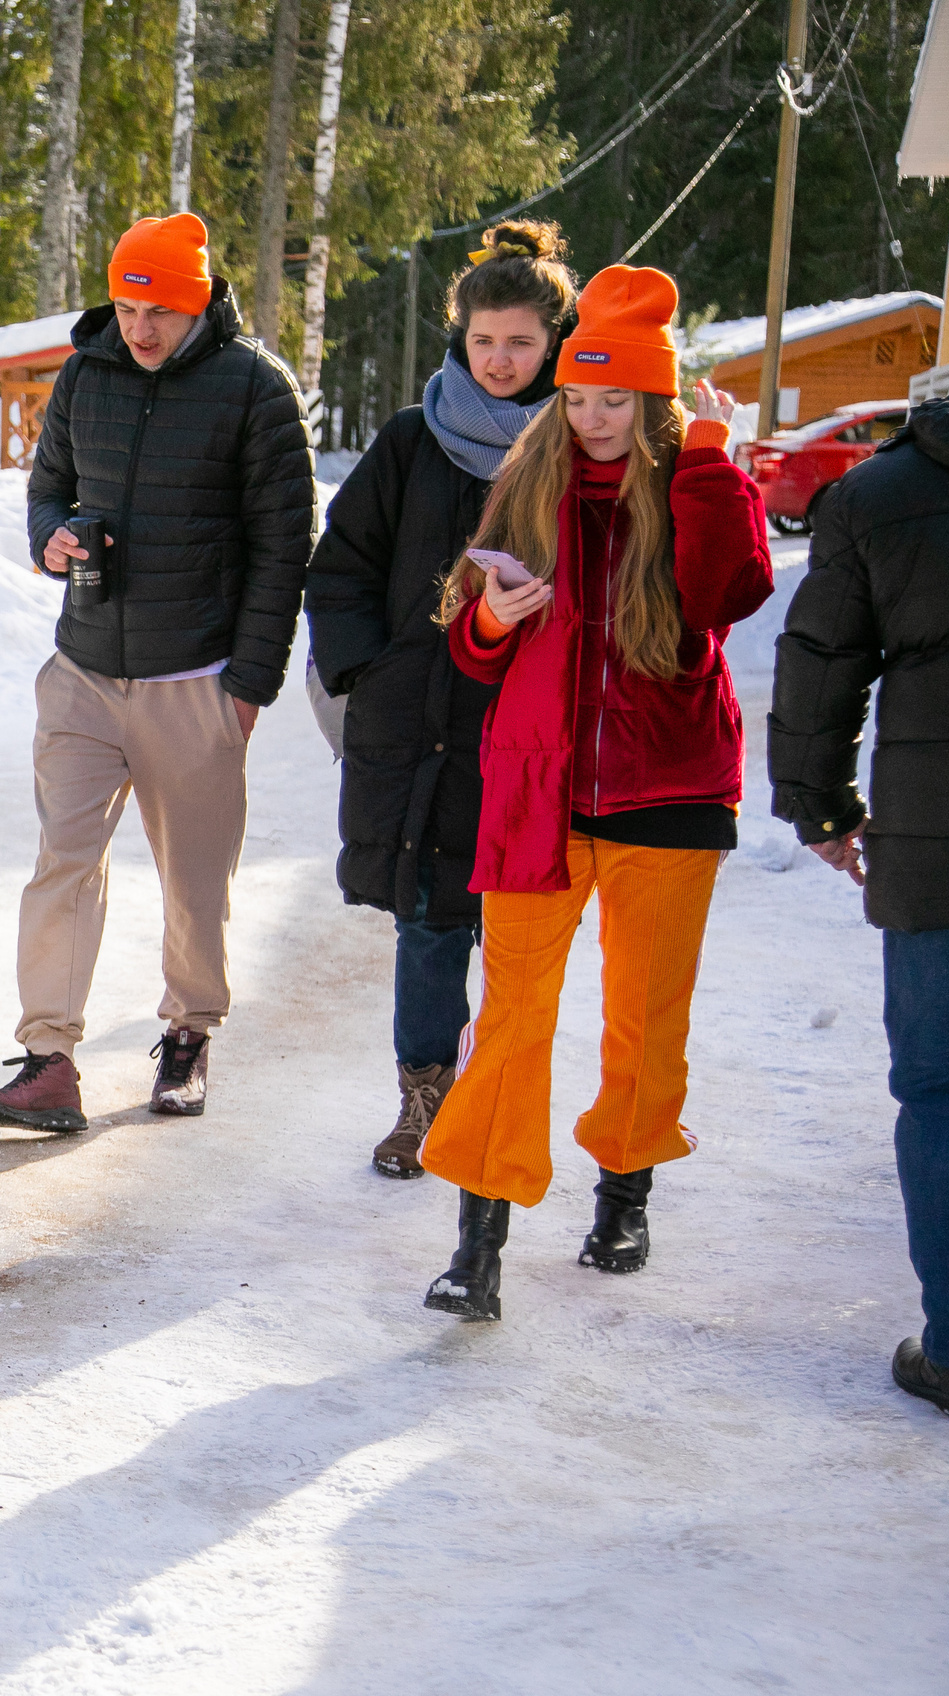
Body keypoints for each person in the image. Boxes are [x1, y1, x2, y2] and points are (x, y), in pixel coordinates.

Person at [416, 265, 772, 1324]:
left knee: (643, 1022)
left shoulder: (692, 480)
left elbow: (726, 592)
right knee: (512, 1020)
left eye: (614, 399)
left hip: (669, 796)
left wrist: (710, 461)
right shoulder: (529, 482)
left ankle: (625, 1189)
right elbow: (474, 657)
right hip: (539, 794)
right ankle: (477, 1242)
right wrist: (493, 619)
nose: (592, 419)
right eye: (576, 397)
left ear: (654, 402)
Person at [0, 212, 315, 1132]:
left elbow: (286, 546)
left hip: (193, 677)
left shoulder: (254, 388)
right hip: (83, 666)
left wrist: (248, 684)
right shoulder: (86, 374)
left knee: (193, 879)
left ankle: (190, 1033)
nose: (140, 327)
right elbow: (47, 485)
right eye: (125, 306)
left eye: (157, 309)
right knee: (62, 864)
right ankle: (48, 1058)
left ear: (195, 302)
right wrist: (53, 535)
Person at [305, 221, 580, 1180]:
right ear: (458, 340)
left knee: (509, 926)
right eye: (483, 342)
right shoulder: (412, 440)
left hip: (525, 734)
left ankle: (495, 1093)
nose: (500, 361)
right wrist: (364, 671)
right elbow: (340, 567)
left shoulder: (579, 441)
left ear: (555, 341)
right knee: (426, 917)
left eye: (520, 343)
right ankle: (423, 1096)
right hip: (414, 723)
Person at [768, 392, 949, 1418]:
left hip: (937, 847)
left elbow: (821, 662)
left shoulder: (877, 495)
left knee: (942, 1090)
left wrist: (819, 804)